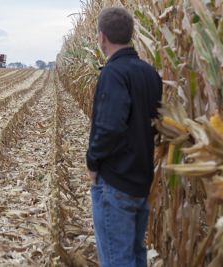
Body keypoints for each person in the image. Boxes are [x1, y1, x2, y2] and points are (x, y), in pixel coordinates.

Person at [86, 7, 162, 267]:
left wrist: (93, 163)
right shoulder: (149, 73)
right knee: (135, 256)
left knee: (117, 260)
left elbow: (110, 127)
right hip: (141, 180)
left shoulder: (113, 73)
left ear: (102, 37)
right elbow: (154, 124)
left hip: (116, 182)